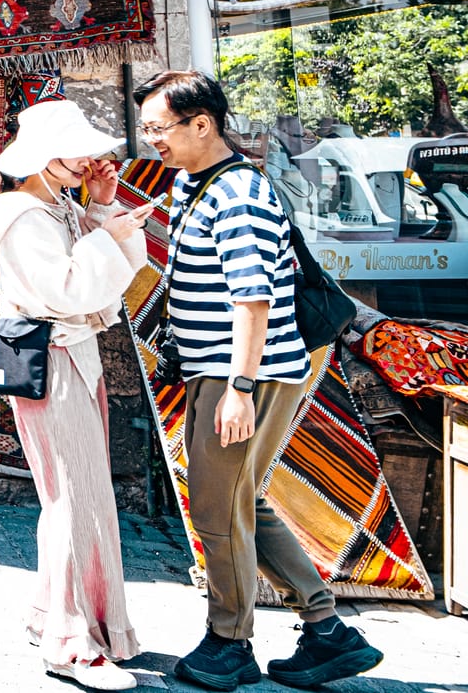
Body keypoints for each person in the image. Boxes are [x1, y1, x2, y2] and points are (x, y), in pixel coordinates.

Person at [133, 71, 382, 691]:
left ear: (202, 124)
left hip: (243, 373)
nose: (151, 142)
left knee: (219, 509)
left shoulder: (237, 192)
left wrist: (240, 390)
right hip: (219, 370)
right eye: (147, 130)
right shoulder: (198, 182)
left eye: (159, 129)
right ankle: (328, 631)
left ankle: (230, 643)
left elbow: (253, 299)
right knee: (240, 498)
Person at [0, 99, 149, 691]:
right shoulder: (21, 215)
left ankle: (57, 616)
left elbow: (95, 280)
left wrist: (101, 208)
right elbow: (67, 289)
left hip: (72, 357)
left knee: (81, 495)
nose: (89, 159)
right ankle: (72, 643)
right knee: (75, 497)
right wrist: (109, 230)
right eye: (76, 150)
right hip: (53, 358)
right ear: (45, 155)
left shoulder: (53, 207)